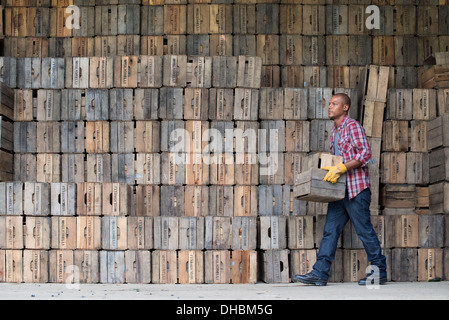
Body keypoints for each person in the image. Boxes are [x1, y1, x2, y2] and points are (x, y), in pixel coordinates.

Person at [292, 93, 387, 286]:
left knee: (364, 231)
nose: (330, 107)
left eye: (335, 104)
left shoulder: (352, 126)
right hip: (339, 191)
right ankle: (320, 273)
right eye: (329, 104)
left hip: (356, 190)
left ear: (345, 108)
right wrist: (332, 167)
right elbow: (339, 159)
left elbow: (366, 153)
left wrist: (342, 168)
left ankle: (379, 273)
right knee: (330, 231)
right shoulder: (335, 132)